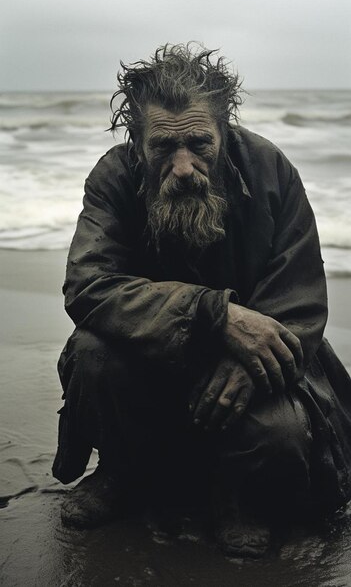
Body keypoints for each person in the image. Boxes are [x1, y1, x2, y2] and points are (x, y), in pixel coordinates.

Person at [53, 43, 351, 558]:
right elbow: (88, 283)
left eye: (198, 144)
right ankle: (122, 472)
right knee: (92, 355)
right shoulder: (114, 178)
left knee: (279, 432)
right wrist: (213, 315)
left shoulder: (271, 169)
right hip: (149, 357)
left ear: (225, 131)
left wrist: (253, 361)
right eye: (163, 148)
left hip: (252, 363)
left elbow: (300, 300)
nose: (184, 166)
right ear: (136, 141)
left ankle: (242, 499)